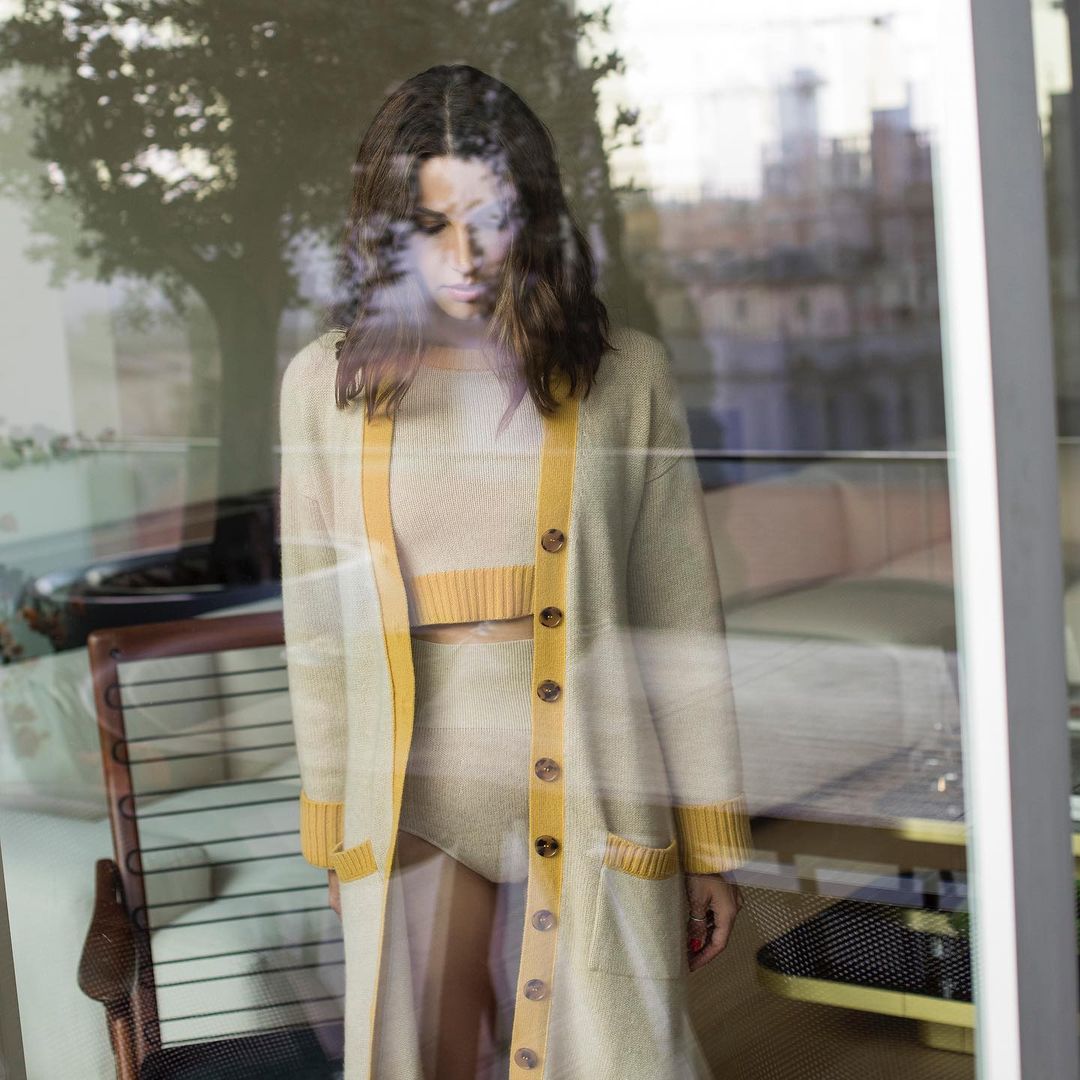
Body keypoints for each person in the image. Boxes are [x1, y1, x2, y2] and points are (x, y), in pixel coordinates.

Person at [278, 62, 752, 1080]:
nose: (463, 256)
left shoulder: (627, 374)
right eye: (430, 225)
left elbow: (680, 615)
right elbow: (317, 638)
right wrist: (333, 833)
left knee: (617, 1057)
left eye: (488, 220)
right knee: (422, 1059)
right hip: (413, 803)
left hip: (593, 786)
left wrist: (709, 838)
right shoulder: (324, 387)